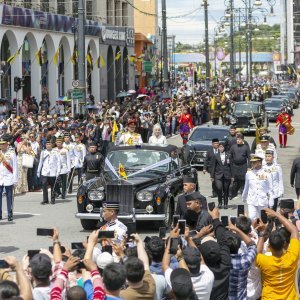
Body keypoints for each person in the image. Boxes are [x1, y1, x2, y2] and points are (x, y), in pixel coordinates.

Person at [256, 208, 300, 299]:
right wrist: (277, 214)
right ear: (284, 243)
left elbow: (256, 253)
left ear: (269, 245)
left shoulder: (264, 261)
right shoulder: (292, 256)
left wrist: (261, 233)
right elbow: (294, 231)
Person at [121, 233, 156, 299]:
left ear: (125, 277)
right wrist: (139, 241)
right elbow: (145, 264)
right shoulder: (151, 286)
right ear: (143, 273)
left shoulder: (123, 295)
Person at [242, 153, 273, 219]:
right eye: (252, 162)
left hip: (263, 200)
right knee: (252, 217)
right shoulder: (249, 173)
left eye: (254, 162)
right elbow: (246, 186)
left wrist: (271, 201)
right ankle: (253, 229)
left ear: (259, 162)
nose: (252, 164)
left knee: (263, 218)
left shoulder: (267, 173)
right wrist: (244, 197)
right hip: (252, 199)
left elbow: (270, 188)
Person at [37, 139, 61, 205]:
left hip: (53, 172)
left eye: (49, 144)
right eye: (47, 144)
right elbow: (40, 162)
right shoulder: (43, 152)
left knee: (53, 186)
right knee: (44, 186)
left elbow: (58, 162)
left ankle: (53, 199)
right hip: (45, 172)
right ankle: (45, 200)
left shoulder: (55, 152)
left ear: (52, 145)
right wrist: (38, 171)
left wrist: (58, 171)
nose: (48, 145)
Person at [210, 142, 233, 209]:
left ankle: (225, 204)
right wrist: (212, 176)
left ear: (224, 148)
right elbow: (213, 166)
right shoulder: (216, 155)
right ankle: (220, 202)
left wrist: (232, 176)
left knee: (226, 190)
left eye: (222, 147)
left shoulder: (228, 155)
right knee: (219, 188)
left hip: (227, 175)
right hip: (218, 175)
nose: (221, 148)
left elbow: (231, 166)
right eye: (219, 147)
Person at [0, 137, 18, 221]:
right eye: (0, 144)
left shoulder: (11, 153)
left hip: (9, 178)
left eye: (3, 144)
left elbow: (15, 167)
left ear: (7, 144)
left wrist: (15, 179)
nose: (1, 145)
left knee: (9, 196)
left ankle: (9, 213)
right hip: (0, 178)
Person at [229, 133, 250, 199]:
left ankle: (244, 193)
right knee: (235, 180)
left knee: (243, 180)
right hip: (235, 166)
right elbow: (230, 156)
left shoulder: (246, 147)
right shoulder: (233, 147)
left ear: (242, 140)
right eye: (237, 139)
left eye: (239, 139)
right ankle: (233, 193)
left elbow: (249, 157)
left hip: (243, 165)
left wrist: (249, 166)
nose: (238, 140)